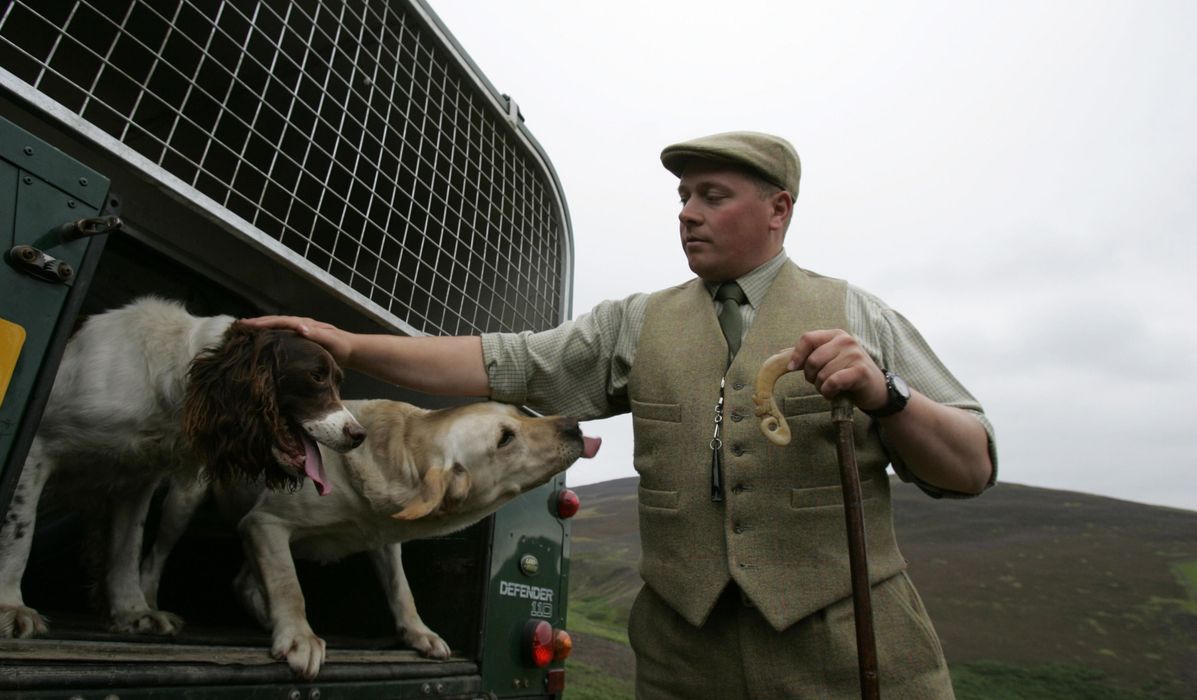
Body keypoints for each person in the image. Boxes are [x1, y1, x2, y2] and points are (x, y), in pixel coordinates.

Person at [246, 131, 996, 699]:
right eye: (682, 199)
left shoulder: (857, 315)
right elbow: (503, 361)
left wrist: (886, 395)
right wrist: (350, 345)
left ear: (778, 210)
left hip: (845, 656)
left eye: (711, 196)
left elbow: (970, 467)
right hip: (682, 658)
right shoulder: (638, 324)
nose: (687, 215)